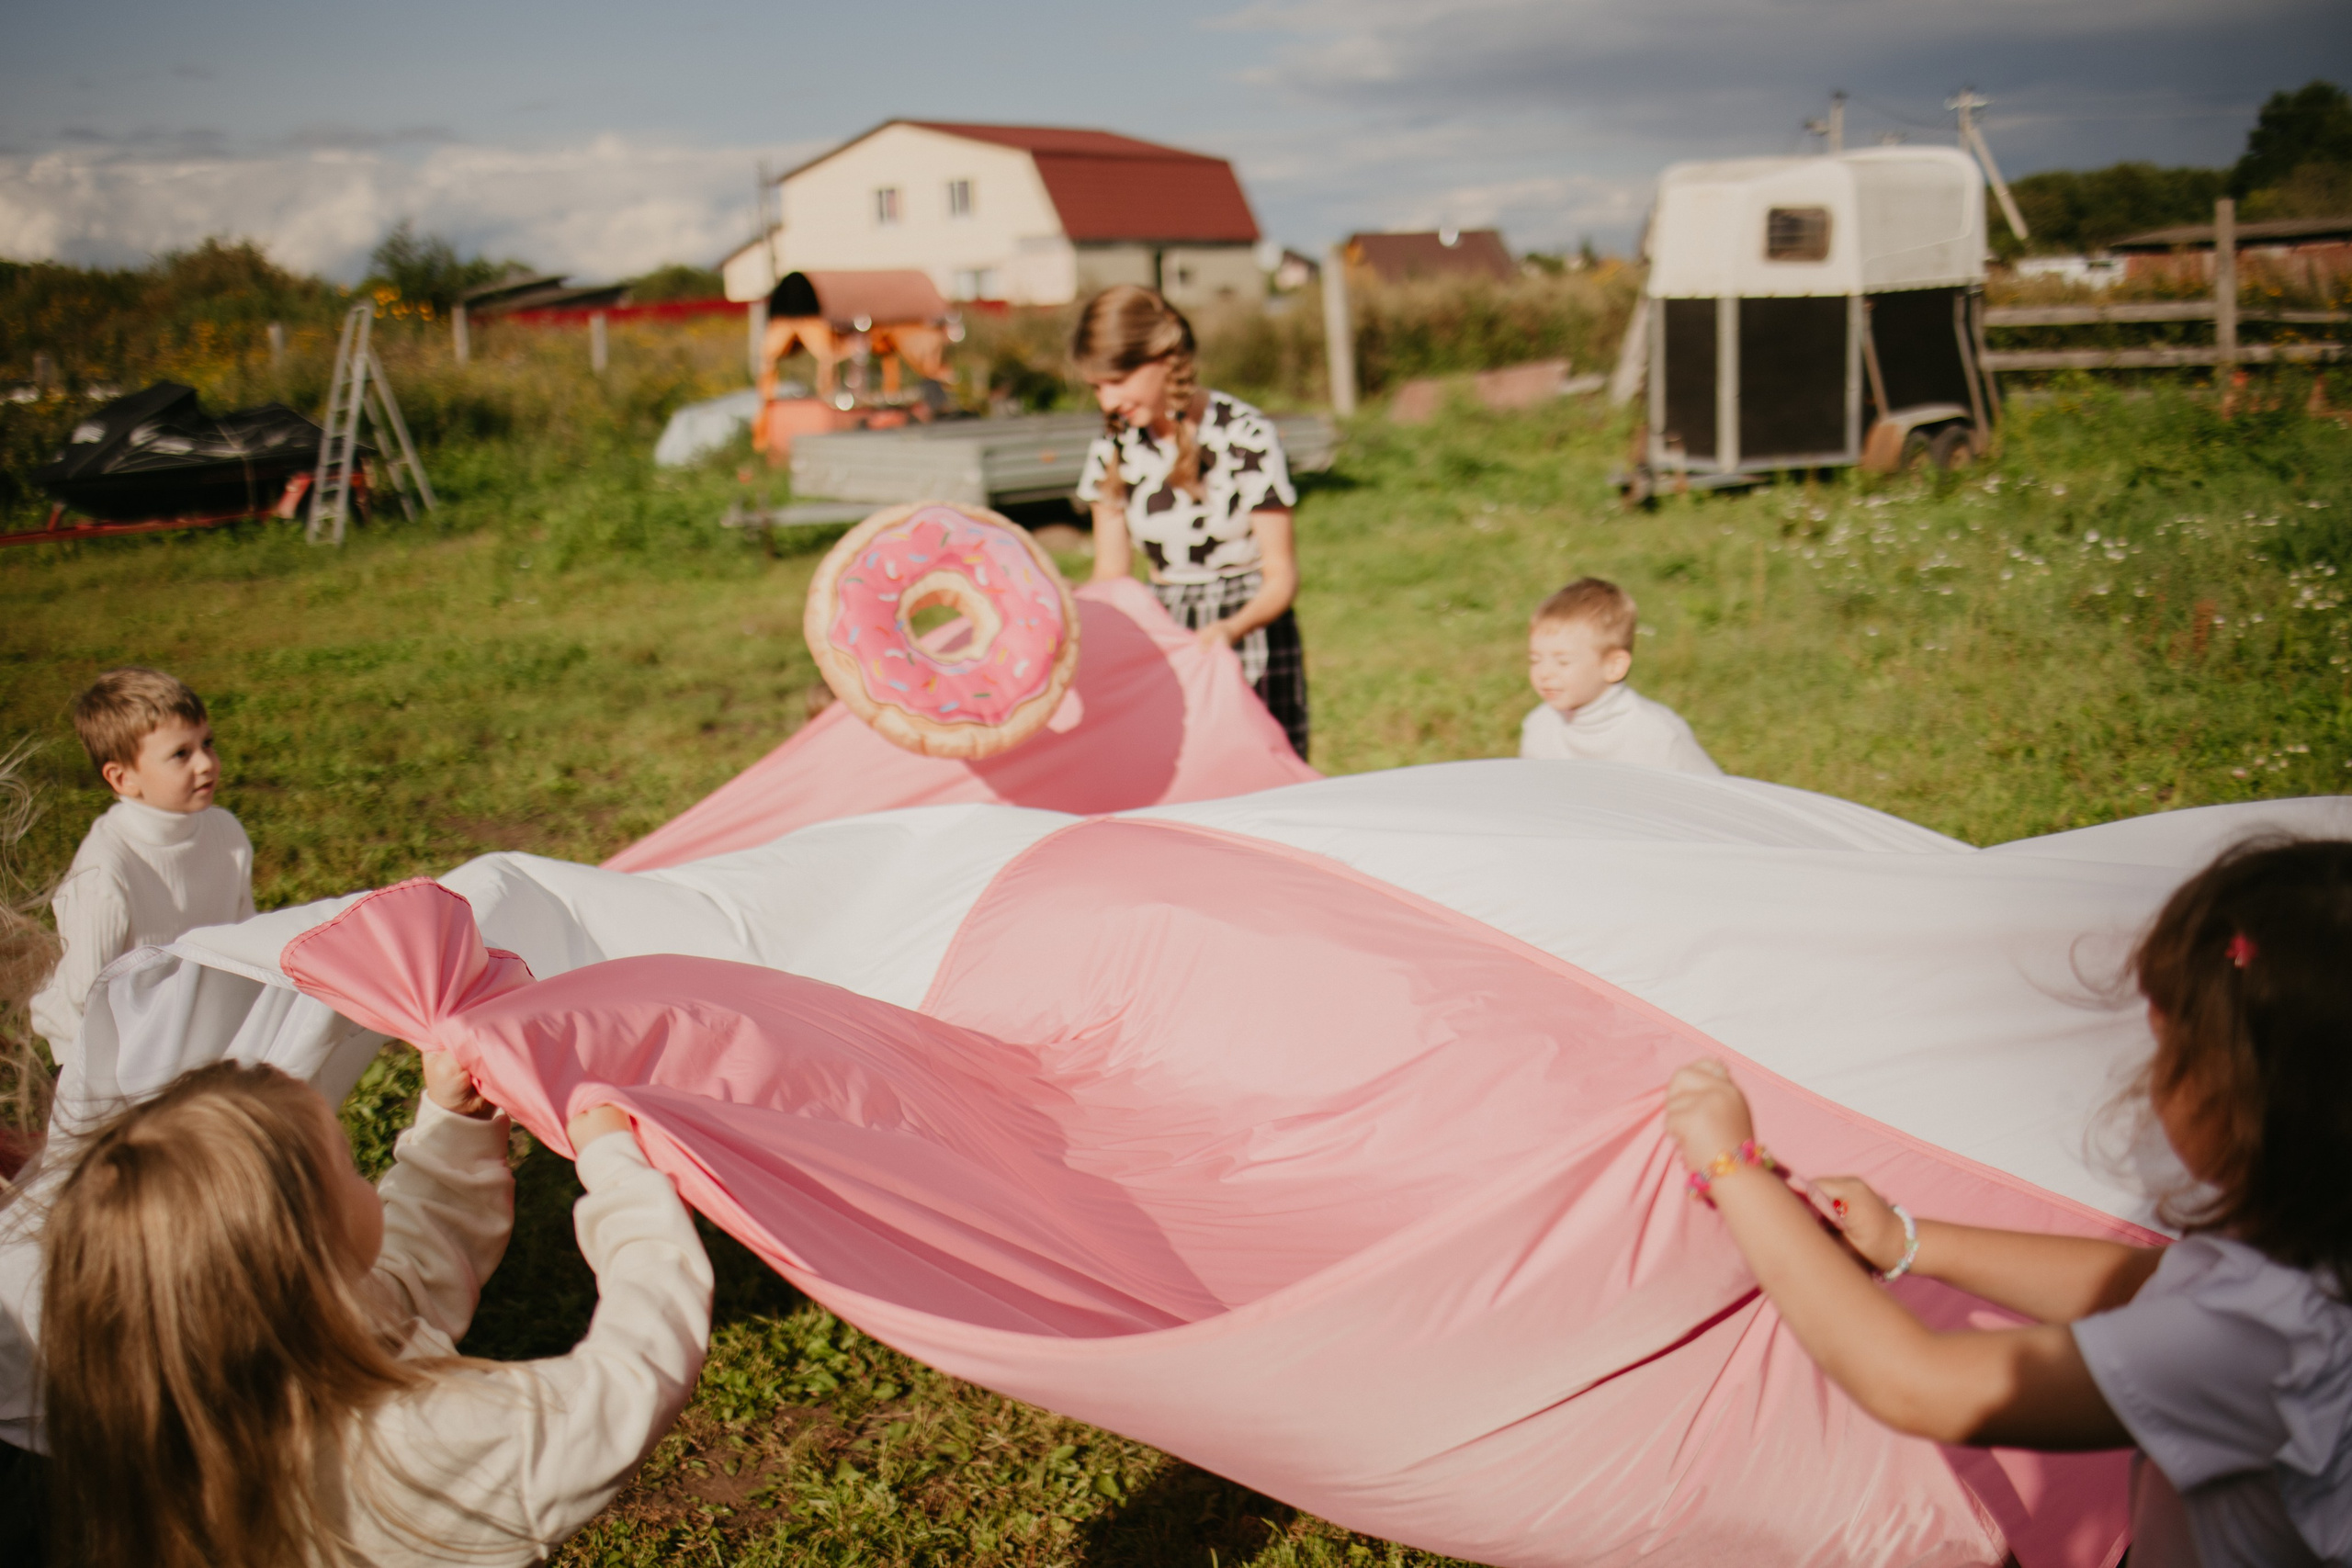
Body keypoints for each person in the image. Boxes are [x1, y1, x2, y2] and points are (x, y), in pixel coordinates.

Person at [1662, 836, 2352, 1568]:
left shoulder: (2266, 1340)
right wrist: (1907, 1241)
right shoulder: (2302, 1267)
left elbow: (1916, 1383)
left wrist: (1732, 1167)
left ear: (2243, 1097)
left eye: (2171, 1051)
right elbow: (2139, 1284)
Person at [40, 1054, 712, 1568]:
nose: (363, 1173)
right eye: (348, 1166)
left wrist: (457, 1121)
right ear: (309, 1245)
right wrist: (622, 1177)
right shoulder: (422, 1445)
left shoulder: (218, 1398)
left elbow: (408, 1274)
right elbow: (624, 1390)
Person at [1073, 285, 1309, 760]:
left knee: (1256, 780)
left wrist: (1228, 630)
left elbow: (1281, 577)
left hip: (1248, 634)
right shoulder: (1114, 446)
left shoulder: (1244, 435)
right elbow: (1110, 577)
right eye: (1097, 386)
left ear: (1162, 357)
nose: (1107, 402)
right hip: (1165, 633)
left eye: (1117, 379)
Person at [28, 669, 254, 1065]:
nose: (205, 763)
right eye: (180, 754)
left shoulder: (225, 833)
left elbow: (243, 935)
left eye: (207, 744)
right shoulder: (106, 869)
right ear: (123, 778)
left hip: (195, 1026)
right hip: (110, 1048)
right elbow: (88, 993)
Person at [1520, 578, 1720, 774]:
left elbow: (1714, 798)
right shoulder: (1539, 726)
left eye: (1563, 662)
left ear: (1614, 667)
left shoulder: (1658, 736)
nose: (1544, 673)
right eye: (1535, 660)